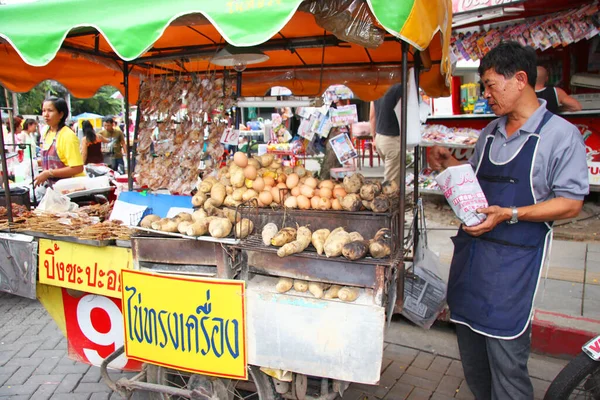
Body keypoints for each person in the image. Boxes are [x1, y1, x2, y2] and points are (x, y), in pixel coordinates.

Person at [429, 41, 588, 400]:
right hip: (472, 262)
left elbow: (571, 202)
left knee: (507, 371)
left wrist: (511, 214)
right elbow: (480, 184)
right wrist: (450, 164)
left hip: (511, 271)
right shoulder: (490, 132)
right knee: (474, 366)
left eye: (489, 84)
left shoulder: (561, 136)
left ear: (519, 79)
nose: (485, 95)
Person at [34, 97, 85, 187]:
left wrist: (48, 173)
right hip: (53, 186)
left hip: (70, 187)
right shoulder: (46, 131)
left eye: (50, 111)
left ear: (61, 114)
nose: (46, 114)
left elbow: (77, 168)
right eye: (44, 110)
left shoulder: (67, 136)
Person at [369, 83, 402, 186]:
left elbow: (372, 116)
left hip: (380, 138)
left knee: (392, 178)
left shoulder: (377, 87)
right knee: (391, 184)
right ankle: (389, 202)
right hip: (392, 138)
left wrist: (373, 137)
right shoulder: (400, 87)